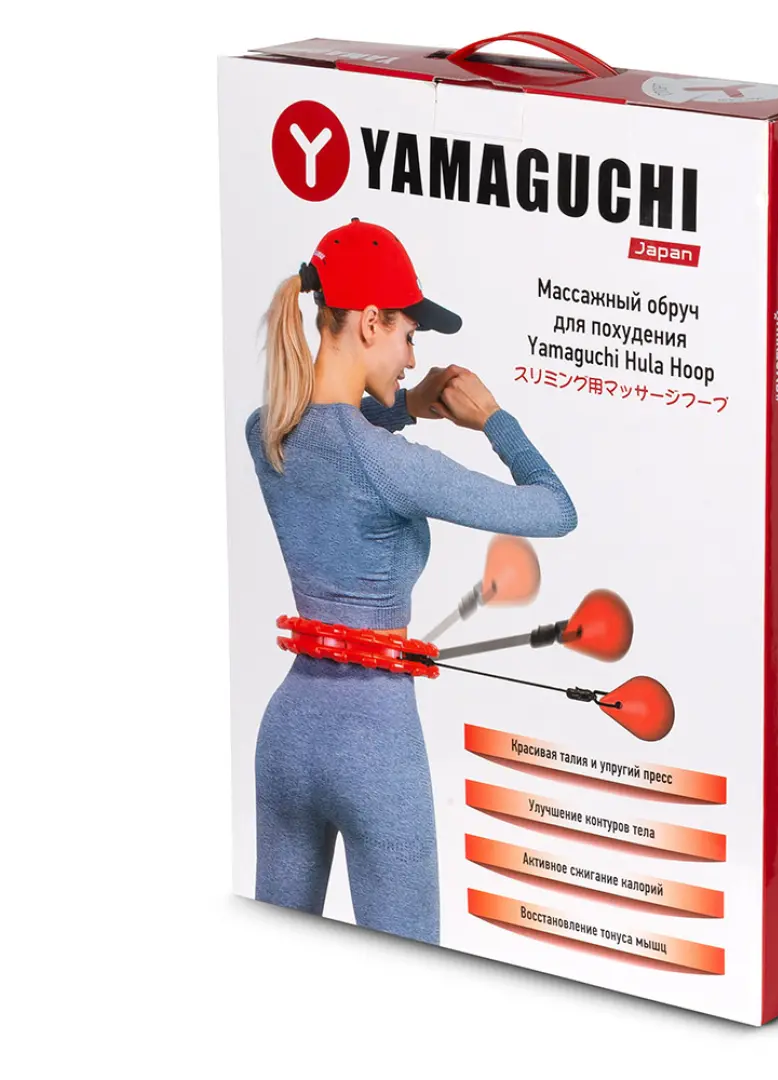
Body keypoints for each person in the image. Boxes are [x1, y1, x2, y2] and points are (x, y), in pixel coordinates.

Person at [244, 219, 577, 944]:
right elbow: (557, 509)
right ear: (370, 323)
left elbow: (331, 430)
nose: (413, 356)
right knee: (413, 982)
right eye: (408, 334)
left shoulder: (266, 432)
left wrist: (405, 406)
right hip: (376, 746)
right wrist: (493, 419)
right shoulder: (392, 465)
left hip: (287, 736)